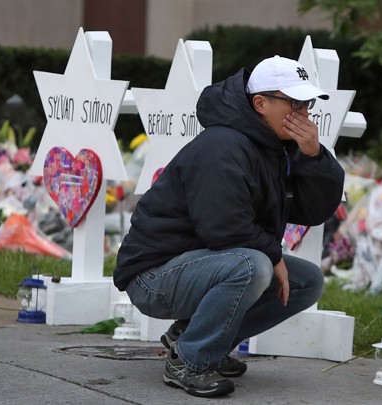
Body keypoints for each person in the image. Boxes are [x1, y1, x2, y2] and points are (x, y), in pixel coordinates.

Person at [113, 55, 345, 397]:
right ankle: (189, 362)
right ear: (260, 103)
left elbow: (312, 210)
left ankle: (195, 340)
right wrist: (274, 255)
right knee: (253, 266)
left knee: (306, 281)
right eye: (294, 102)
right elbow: (223, 229)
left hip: (201, 262)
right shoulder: (222, 145)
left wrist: (314, 156)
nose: (303, 113)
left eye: (307, 103)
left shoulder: (275, 147)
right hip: (152, 277)